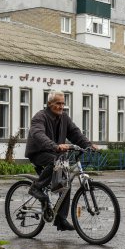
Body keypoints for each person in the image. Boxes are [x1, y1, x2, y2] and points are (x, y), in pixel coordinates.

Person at [25, 91, 97, 231]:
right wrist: (55, 146)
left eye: (63, 103)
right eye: (58, 103)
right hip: (39, 153)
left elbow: (75, 133)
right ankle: (36, 187)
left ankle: (61, 219)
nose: (61, 106)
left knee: (66, 182)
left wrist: (88, 145)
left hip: (55, 153)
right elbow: (38, 134)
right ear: (50, 103)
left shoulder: (64, 118)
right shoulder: (40, 117)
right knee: (57, 162)